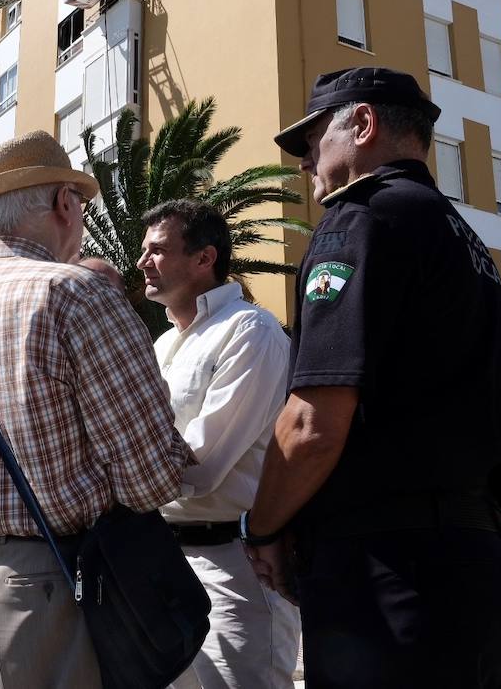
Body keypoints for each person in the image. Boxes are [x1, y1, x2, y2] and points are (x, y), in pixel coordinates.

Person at [243, 67, 501, 688]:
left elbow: (312, 421)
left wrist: (264, 527)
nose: (306, 165)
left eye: (311, 143)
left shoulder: (360, 221)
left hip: (398, 576)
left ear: (361, 123)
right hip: (494, 571)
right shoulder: (467, 241)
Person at [0, 130, 193, 689]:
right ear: (65, 203)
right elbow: (151, 479)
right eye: (81, 203)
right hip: (43, 593)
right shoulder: (75, 294)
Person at [137, 200, 300, 689]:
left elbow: (202, 467)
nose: (143, 261)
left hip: (235, 568)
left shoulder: (252, 331)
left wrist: (117, 467)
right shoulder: (163, 345)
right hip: (165, 560)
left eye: (158, 250)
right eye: (144, 249)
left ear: (205, 258)